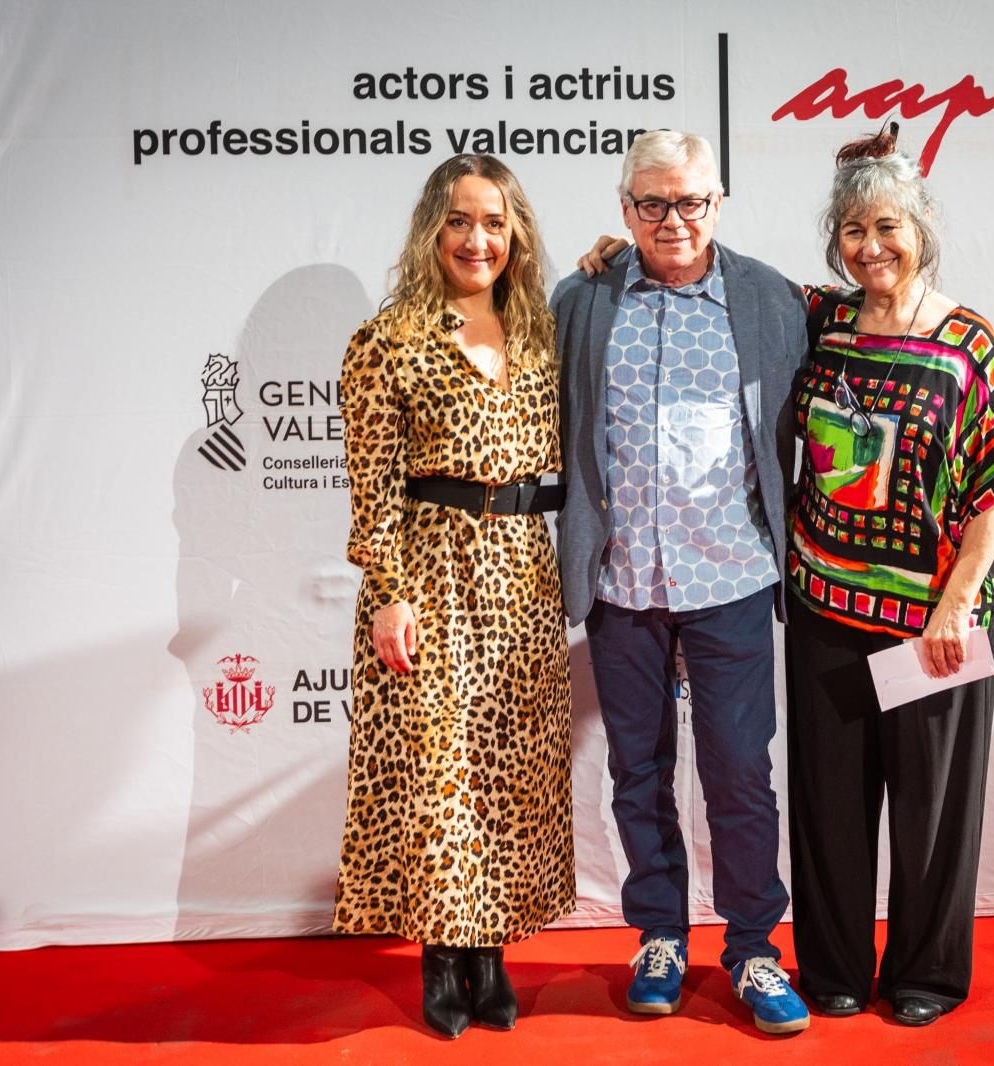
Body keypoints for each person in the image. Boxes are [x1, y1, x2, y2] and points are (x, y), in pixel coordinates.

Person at [551, 129, 811, 1035]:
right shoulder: (581, 300)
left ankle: (752, 949)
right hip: (622, 582)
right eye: (652, 203)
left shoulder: (773, 298)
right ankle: (659, 934)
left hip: (732, 576)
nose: (673, 220)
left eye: (690, 201)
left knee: (741, 775)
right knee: (637, 772)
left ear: (718, 202)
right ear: (624, 209)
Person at [785, 127, 994, 1026]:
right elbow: (720, 284)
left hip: (936, 620)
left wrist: (956, 607)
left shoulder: (967, 342)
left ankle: (926, 974)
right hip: (824, 608)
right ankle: (837, 968)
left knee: (932, 809)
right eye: (852, 229)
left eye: (887, 225)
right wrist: (621, 254)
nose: (870, 246)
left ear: (921, 228)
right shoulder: (820, 319)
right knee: (831, 805)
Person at [333, 154, 572, 1039]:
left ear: (517, 236)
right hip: (428, 572)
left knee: (508, 768)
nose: (480, 240)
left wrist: (605, 259)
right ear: (433, 229)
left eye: (496, 223)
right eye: (462, 221)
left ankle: (493, 953)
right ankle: (445, 955)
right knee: (440, 776)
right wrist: (390, 592)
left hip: (521, 567)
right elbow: (374, 484)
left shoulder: (542, 331)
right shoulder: (387, 340)